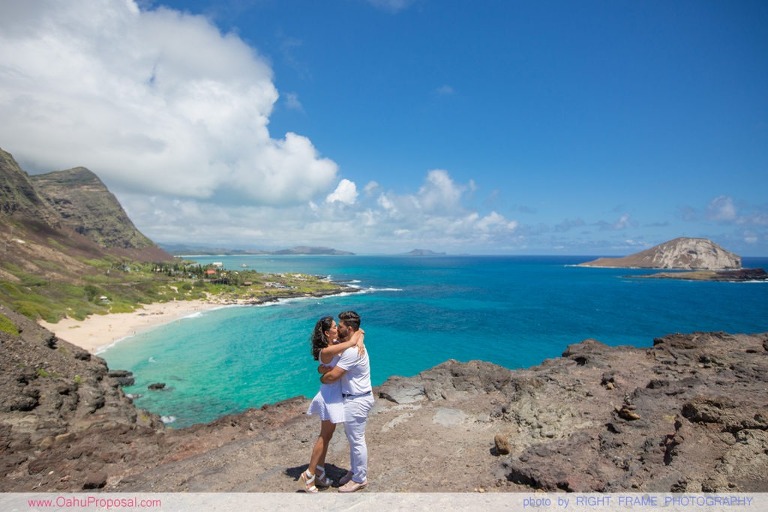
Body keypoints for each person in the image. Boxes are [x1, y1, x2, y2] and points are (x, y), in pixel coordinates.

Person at [300, 316, 364, 493]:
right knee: (324, 436)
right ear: (328, 333)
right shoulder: (327, 350)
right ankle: (309, 475)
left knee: (327, 436)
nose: (338, 329)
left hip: (334, 395)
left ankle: (319, 473)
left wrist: (360, 338)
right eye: (335, 327)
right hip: (329, 396)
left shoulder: (332, 344)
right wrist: (355, 341)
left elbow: (360, 331)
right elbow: (352, 339)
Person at [319, 310, 373, 493]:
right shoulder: (349, 344)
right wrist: (359, 336)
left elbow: (333, 376)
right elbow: (361, 330)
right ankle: (355, 471)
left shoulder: (351, 352)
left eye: (340, 326)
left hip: (357, 400)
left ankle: (360, 478)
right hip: (355, 397)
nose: (338, 328)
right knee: (353, 439)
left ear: (348, 329)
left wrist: (323, 376)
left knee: (357, 440)